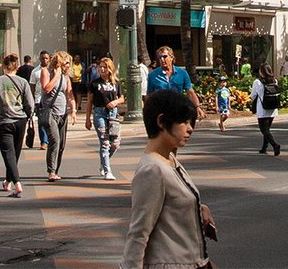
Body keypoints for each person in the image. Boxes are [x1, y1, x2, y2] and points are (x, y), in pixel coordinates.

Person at [119, 89, 216, 269]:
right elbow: (139, 233)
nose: (190, 128)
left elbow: (171, 203)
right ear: (161, 122)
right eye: (183, 122)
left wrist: (198, 208)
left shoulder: (169, 159)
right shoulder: (152, 169)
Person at [0, 52, 35, 197]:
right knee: (15, 152)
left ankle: (17, 183)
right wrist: (28, 115)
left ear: (4, 66)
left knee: (8, 153)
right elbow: (30, 104)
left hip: (3, 121)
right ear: (17, 66)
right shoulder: (23, 82)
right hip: (20, 120)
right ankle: (8, 181)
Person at [84, 54, 124, 180]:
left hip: (113, 114)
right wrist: (87, 119)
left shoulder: (116, 83)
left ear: (110, 69)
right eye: (100, 67)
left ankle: (103, 161)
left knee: (115, 144)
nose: (101, 70)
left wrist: (115, 102)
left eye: (105, 68)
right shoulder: (94, 84)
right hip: (99, 113)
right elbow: (90, 101)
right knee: (105, 142)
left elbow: (122, 97)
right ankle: (107, 170)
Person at [41, 49, 76, 181]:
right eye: (66, 63)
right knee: (54, 140)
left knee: (61, 144)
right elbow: (46, 88)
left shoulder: (66, 77)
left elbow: (70, 94)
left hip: (63, 113)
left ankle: (55, 170)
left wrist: (73, 110)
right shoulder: (46, 72)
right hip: (50, 112)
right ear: (59, 62)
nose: (68, 66)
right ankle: (51, 171)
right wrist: (56, 75)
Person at [146, 47, 202, 115]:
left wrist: (197, 107)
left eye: (164, 56)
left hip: (178, 110)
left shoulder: (182, 73)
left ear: (171, 57)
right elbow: (149, 95)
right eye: (160, 57)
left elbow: (190, 92)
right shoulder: (152, 75)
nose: (162, 59)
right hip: (161, 112)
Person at [251, 63, 281, 155]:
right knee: (267, 129)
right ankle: (264, 147)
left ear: (262, 72)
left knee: (264, 130)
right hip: (272, 108)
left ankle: (275, 145)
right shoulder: (274, 81)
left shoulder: (257, 82)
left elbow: (253, 96)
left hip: (263, 109)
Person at [34, 51, 52, 148]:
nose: (44, 60)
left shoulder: (53, 71)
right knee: (42, 121)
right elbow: (32, 86)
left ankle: (51, 139)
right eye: (42, 58)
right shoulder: (35, 71)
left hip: (51, 100)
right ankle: (44, 142)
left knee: (51, 121)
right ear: (39, 59)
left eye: (46, 58)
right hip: (39, 99)